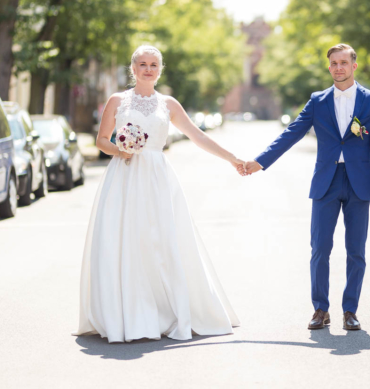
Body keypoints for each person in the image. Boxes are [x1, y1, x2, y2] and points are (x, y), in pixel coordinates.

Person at [73, 45, 246, 343]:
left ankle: (166, 310)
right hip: (124, 177)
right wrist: (121, 150)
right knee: (126, 241)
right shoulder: (117, 100)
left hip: (158, 178)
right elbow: (101, 140)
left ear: (160, 69)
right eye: (142, 64)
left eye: (154, 64)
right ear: (133, 68)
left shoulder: (168, 104)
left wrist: (233, 158)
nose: (148, 69)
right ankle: (127, 313)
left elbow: (198, 136)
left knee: (163, 241)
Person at [244, 43, 370, 331]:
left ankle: (350, 310)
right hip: (326, 182)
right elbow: (292, 133)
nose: (339, 67)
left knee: (356, 250)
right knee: (320, 248)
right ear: (329, 67)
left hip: (359, 184)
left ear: (354, 66)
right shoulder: (318, 101)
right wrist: (260, 161)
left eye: (344, 62)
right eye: (334, 63)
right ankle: (320, 309)